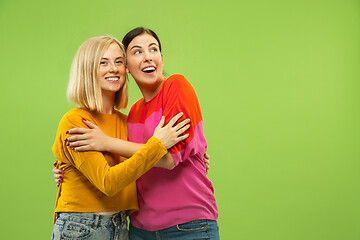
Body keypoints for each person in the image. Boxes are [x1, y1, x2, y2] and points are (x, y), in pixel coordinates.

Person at [54, 27, 219, 239]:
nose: (148, 57)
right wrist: (66, 168)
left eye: (153, 49)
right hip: (137, 228)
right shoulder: (130, 114)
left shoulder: (173, 88)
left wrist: (106, 142)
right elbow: (123, 166)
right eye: (137, 52)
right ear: (129, 67)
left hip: (184, 225)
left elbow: (168, 159)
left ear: (161, 58)